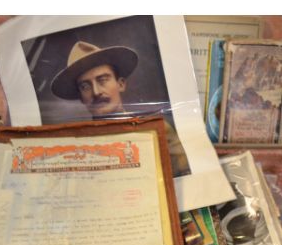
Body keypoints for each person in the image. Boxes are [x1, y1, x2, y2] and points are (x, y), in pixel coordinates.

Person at [50, 41, 190, 176]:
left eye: (102, 80)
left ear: (121, 84)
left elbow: (184, 180)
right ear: (80, 97)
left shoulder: (158, 131)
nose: (96, 92)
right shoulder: (75, 147)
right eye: (85, 86)